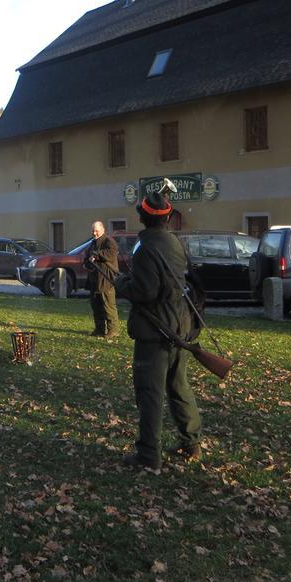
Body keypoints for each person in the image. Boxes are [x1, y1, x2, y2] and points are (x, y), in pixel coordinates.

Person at [113, 191, 202, 472]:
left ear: (143, 217)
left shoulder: (146, 246)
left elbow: (146, 291)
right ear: (165, 217)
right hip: (180, 325)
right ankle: (192, 441)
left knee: (150, 392)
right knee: (178, 386)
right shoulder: (174, 242)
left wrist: (122, 284)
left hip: (155, 330)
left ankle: (149, 454)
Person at [85, 220, 119, 337]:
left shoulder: (109, 241)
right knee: (96, 306)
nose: (94, 233)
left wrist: (96, 255)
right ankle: (99, 329)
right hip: (94, 279)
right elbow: (87, 256)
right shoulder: (93, 243)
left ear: (103, 230)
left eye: (97, 231)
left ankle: (113, 330)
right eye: (93, 231)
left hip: (106, 279)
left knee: (108, 305)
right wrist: (87, 261)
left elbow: (111, 253)